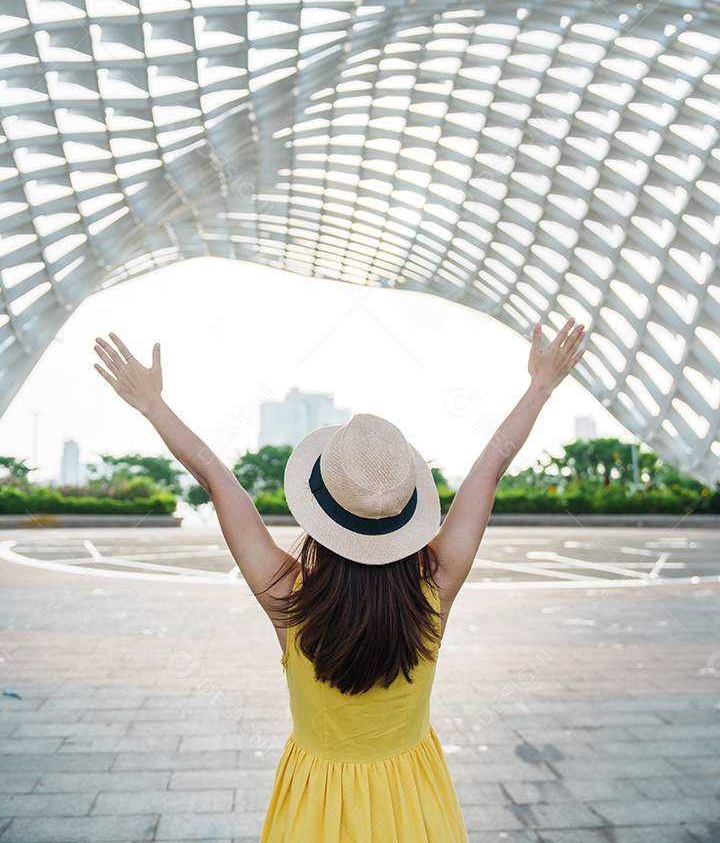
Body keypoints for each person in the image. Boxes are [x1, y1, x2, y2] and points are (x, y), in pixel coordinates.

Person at [93, 317, 586, 841]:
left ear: (320, 511)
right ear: (406, 512)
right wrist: (540, 386)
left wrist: (152, 404)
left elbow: (216, 480)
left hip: (316, 807)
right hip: (416, 803)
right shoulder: (435, 587)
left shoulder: (287, 597)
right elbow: (490, 469)